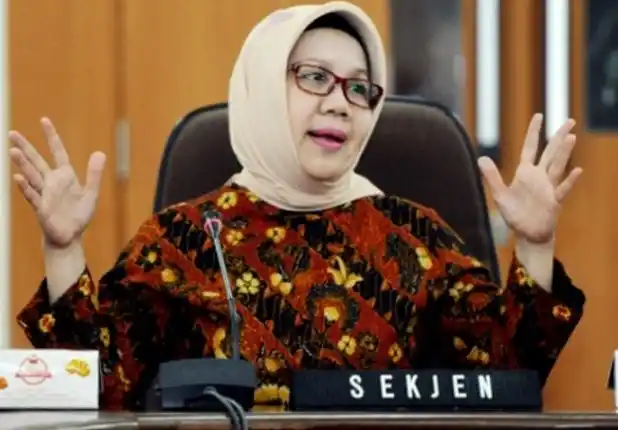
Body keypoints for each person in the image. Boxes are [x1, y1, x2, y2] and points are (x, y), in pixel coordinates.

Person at [9, 1, 585, 412]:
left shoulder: (414, 237)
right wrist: (63, 248)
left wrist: (535, 245)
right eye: (314, 78)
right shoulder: (184, 240)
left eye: (359, 88)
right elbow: (98, 392)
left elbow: (510, 383)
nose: (340, 104)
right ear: (262, 87)